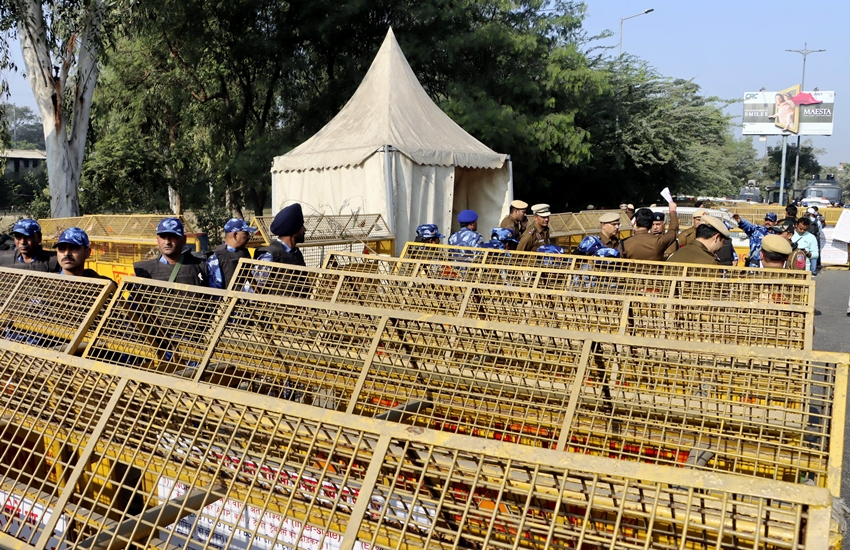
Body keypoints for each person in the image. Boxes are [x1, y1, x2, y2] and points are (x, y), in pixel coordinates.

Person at [134, 217, 210, 285]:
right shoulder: (143, 271)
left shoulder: (203, 266)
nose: (167, 242)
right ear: (157, 239)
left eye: (173, 236)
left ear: (184, 240)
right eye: (163, 237)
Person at [207, 218, 258, 289]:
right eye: (246, 233)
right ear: (235, 235)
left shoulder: (245, 252)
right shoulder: (217, 257)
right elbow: (215, 289)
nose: (249, 236)